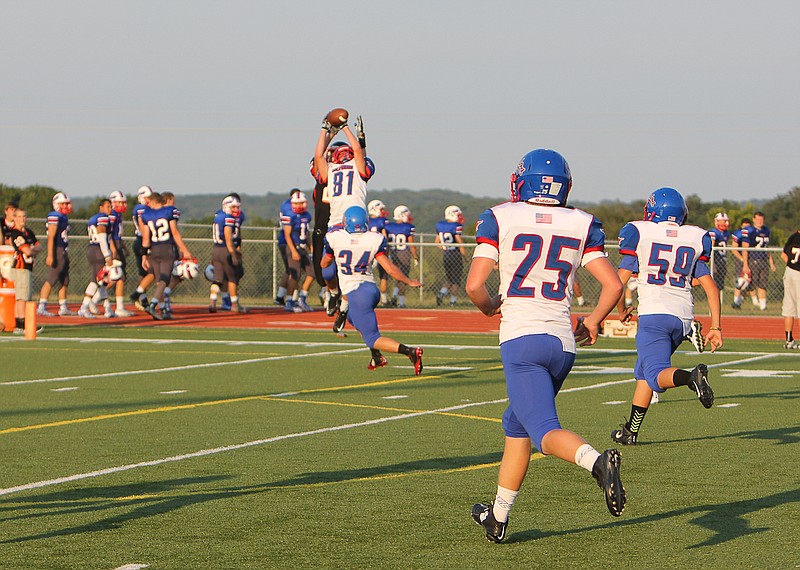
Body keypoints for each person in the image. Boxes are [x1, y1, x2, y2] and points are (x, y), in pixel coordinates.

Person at [467, 149, 626, 543]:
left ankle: (597, 462)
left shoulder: (500, 216)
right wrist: (592, 321)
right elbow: (614, 285)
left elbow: (474, 285)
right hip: (562, 342)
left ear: (522, 181)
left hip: (522, 338)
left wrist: (490, 307)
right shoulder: (582, 222)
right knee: (516, 424)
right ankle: (498, 517)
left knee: (544, 432)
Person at [610, 187, 723, 447]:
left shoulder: (639, 232)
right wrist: (716, 326)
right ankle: (631, 431)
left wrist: (619, 310)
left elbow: (619, 281)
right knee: (644, 373)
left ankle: (690, 377)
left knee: (656, 373)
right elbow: (711, 288)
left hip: (653, 315)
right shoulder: (695, 237)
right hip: (682, 317)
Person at [321, 205, 424, 373]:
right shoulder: (373, 239)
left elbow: (324, 264)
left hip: (357, 293)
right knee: (353, 319)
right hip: (370, 289)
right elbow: (390, 269)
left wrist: (330, 257)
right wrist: (408, 281)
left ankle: (411, 352)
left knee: (372, 338)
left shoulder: (335, 238)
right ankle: (376, 357)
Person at [313, 112, 374, 321]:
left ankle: (346, 304)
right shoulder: (331, 169)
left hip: (355, 225)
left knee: (350, 271)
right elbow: (320, 156)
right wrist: (334, 128)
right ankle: (333, 294)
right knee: (327, 270)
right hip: (335, 225)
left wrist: (331, 128)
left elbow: (354, 150)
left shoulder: (358, 170)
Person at [140, 192, 193, 320]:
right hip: (166, 249)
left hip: (153, 250)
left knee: (159, 281)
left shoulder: (147, 215)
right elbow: (175, 233)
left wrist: (144, 256)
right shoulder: (169, 211)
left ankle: (164, 310)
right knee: (164, 280)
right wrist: (184, 250)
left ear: (152, 202)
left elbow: (146, 239)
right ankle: (153, 305)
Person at [37, 192, 77, 317]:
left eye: (66, 203)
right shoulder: (55, 216)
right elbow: (51, 237)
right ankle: (41, 306)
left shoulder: (63, 217)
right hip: (57, 249)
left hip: (63, 250)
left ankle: (63, 306)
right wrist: (50, 255)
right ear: (56, 204)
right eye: (62, 204)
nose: (65, 206)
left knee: (64, 280)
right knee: (52, 278)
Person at [78, 199, 117, 319]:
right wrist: (107, 255)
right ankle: (83, 308)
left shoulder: (93, 218)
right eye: (107, 206)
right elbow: (102, 237)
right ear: (101, 207)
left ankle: (108, 308)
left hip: (92, 249)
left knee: (103, 282)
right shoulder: (103, 218)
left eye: (111, 206)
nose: (110, 209)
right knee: (96, 280)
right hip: (98, 250)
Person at [209, 195, 248, 313]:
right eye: (233, 207)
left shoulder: (218, 216)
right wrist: (233, 254)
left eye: (237, 207)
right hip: (226, 250)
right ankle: (234, 304)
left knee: (218, 279)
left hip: (216, 249)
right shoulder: (228, 218)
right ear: (226, 206)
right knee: (232, 278)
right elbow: (228, 238)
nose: (236, 210)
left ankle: (212, 301)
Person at [7, 208, 43, 333]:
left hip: (27, 268)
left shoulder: (28, 232)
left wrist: (33, 248)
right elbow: (27, 250)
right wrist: (32, 249)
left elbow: (39, 246)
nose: (22, 219)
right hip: (20, 268)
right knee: (22, 297)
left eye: (24, 216)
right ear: (15, 218)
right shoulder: (15, 233)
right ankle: (22, 324)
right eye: (20, 216)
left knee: (22, 296)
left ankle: (19, 324)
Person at [282, 191, 316, 313]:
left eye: (301, 203)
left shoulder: (306, 215)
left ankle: (302, 298)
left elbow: (306, 234)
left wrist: (310, 246)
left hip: (302, 248)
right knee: (294, 275)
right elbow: (287, 235)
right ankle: (289, 302)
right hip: (294, 247)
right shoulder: (289, 215)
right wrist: (293, 250)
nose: (300, 206)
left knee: (312, 273)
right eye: (297, 203)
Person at [106, 191, 135, 317]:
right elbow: (110, 236)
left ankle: (118, 306)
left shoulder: (117, 215)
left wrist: (124, 247)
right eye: (119, 202)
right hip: (113, 247)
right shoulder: (112, 215)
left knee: (119, 277)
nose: (122, 205)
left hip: (117, 246)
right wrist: (113, 250)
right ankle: (92, 299)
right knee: (116, 276)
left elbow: (117, 235)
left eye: (123, 202)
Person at [384, 205, 418, 308]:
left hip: (393, 253)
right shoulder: (408, 227)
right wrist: (416, 257)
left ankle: (394, 296)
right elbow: (411, 244)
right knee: (404, 278)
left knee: (398, 277)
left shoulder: (388, 226)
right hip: (404, 254)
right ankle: (401, 302)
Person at [130, 185, 156, 310]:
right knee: (150, 272)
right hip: (143, 241)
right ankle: (140, 296)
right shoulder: (141, 209)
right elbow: (143, 226)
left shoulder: (142, 208)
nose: (148, 200)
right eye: (146, 197)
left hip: (142, 240)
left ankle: (142, 297)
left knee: (144, 272)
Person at [275, 188, 303, 306]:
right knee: (295, 270)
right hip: (288, 241)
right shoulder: (289, 207)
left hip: (285, 240)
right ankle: (291, 298)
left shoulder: (286, 205)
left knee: (289, 269)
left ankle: (280, 296)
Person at [435, 205, 466, 306]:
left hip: (446, 254)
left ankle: (441, 293)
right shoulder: (455, 226)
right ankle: (453, 301)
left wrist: (444, 247)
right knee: (456, 280)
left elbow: (437, 242)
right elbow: (459, 241)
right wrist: (464, 255)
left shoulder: (441, 225)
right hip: (455, 255)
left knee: (449, 278)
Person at [749, 211, 776, 310]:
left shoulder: (766, 230)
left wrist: (771, 262)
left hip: (764, 259)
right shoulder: (750, 231)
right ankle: (754, 301)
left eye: (761, 219)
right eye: (758, 219)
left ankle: (763, 306)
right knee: (752, 282)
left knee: (763, 283)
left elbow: (767, 247)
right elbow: (745, 246)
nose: (760, 221)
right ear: (753, 220)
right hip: (753, 259)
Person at [367, 199, 391, 305]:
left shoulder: (365, 220)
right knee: (383, 275)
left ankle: (367, 298)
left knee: (366, 275)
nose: (382, 211)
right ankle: (384, 299)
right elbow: (385, 237)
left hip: (367, 251)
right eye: (381, 209)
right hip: (379, 252)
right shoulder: (382, 221)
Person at [730, 217, 756, 309]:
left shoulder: (753, 233)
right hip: (741, 260)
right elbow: (734, 249)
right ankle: (736, 301)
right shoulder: (738, 233)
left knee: (749, 283)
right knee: (740, 282)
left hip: (751, 260)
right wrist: (742, 259)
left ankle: (740, 301)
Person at [781, 228, 800, 349]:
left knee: (789, 307)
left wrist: (791, 265)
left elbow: (783, 255)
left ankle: (789, 340)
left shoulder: (793, 237)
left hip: (789, 271)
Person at [708, 212, 731, 303]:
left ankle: (718, 300)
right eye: (723, 222)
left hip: (723, 259)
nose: (725, 224)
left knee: (720, 282)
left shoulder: (726, 233)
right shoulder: (713, 232)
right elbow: (711, 246)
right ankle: (714, 300)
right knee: (715, 281)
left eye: (725, 221)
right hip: (716, 260)